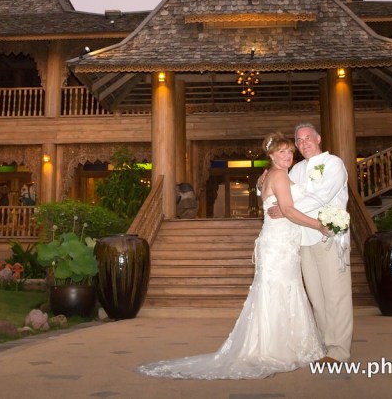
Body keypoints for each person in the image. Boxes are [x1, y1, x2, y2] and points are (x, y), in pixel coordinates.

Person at [137, 132, 326, 379]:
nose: (288, 155)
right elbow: (289, 210)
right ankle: (277, 348)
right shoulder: (278, 175)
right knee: (280, 289)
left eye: (290, 151)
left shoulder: (269, 175)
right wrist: (319, 225)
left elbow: (283, 205)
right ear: (271, 155)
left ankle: (279, 344)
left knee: (280, 289)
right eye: (282, 152)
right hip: (279, 243)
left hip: (280, 241)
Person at [267, 122, 353, 362]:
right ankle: (326, 345)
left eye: (308, 138)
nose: (304, 143)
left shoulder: (334, 164)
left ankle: (339, 350)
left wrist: (286, 210)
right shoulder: (296, 170)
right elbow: (278, 189)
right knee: (316, 296)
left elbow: (321, 196)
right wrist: (263, 181)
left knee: (336, 295)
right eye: (299, 140)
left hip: (328, 235)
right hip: (303, 238)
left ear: (318, 139)